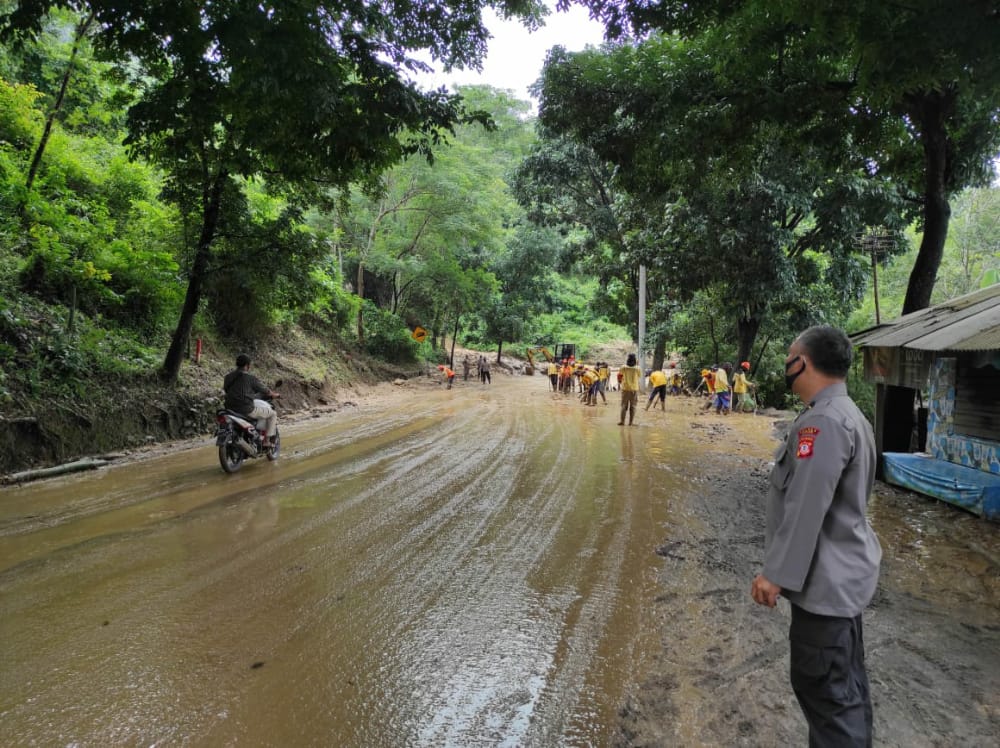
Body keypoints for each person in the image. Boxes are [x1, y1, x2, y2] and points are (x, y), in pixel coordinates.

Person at [750, 325, 882, 746]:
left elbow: (807, 505)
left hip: (824, 588)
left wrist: (776, 574)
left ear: (801, 363)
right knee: (844, 695)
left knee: (827, 698)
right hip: (839, 583)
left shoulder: (823, 422)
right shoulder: (846, 414)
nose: (786, 365)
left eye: (789, 357)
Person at [223, 353, 278, 447]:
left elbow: (227, 390)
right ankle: (266, 441)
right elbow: (265, 390)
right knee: (273, 414)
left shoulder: (228, 377)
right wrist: (274, 394)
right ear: (247, 366)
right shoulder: (250, 378)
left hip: (229, 409)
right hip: (246, 409)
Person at [617, 353, 641, 425]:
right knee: (633, 406)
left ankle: (622, 421)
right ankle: (631, 422)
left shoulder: (623, 367)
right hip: (634, 389)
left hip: (625, 388)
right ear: (635, 360)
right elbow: (639, 376)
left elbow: (620, 375)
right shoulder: (637, 368)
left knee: (624, 406)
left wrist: (620, 381)